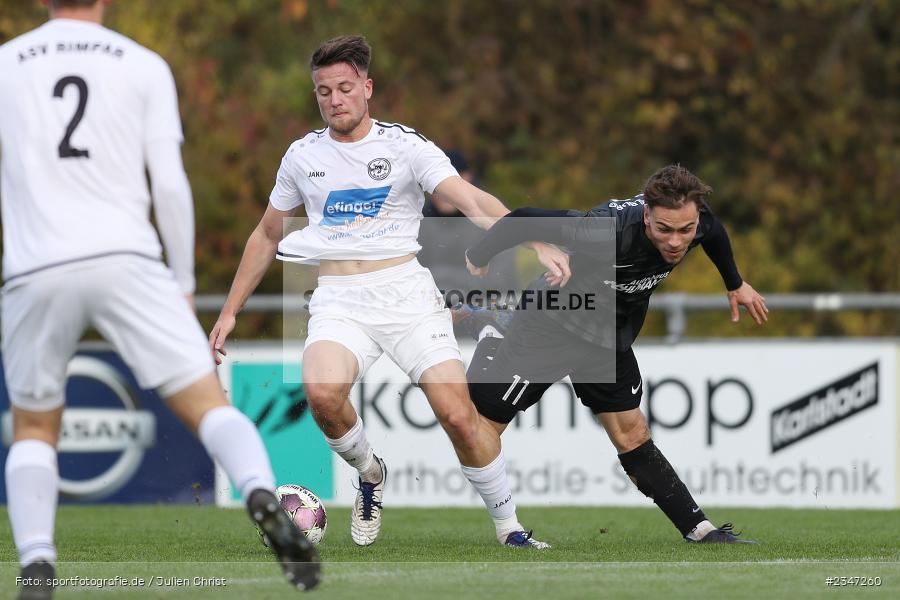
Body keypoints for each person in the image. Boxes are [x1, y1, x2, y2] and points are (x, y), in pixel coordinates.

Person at [0, 2, 319, 597]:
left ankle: (38, 565)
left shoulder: (6, 64)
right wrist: (183, 277)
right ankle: (258, 491)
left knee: (35, 429)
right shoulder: (143, 64)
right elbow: (169, 183)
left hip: (35, 264)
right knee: (209, 405)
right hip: (128, 258)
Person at [209, 35, 569, 549]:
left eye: (345, 88)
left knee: (458, 417)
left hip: (406, 294)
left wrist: (530, 237)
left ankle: (509, 527)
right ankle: (371, 472)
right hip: (338, 296)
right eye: (324, 91)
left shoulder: (405, 146)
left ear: (367, 88)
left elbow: (469, 199)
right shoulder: (301, 156)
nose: (335, 99)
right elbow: (268, 233)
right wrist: (229, 312)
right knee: (322, 394)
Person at [457, 165, 769, 543]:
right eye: (664, 230)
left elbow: (714, 232)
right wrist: (479, 255)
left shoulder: (696, 220)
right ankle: (492, 331)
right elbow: (523, 219)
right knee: (482, 425)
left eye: (685, 231)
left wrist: (734, 283)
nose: (675, 241)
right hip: (552, 324)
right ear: (647, 215)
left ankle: (700, 530)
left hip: (605, 338)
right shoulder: (605, 229)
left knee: (632, 432)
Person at [418, 150, 518, 311]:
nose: (444, 191)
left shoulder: (491, 219)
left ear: (467, 179)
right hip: (430, 314)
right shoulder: (416, 222)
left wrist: (446, 278)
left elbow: (501, 280)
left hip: (486, 312)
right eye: (437, 183)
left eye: (451, 181)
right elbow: (406, 279)